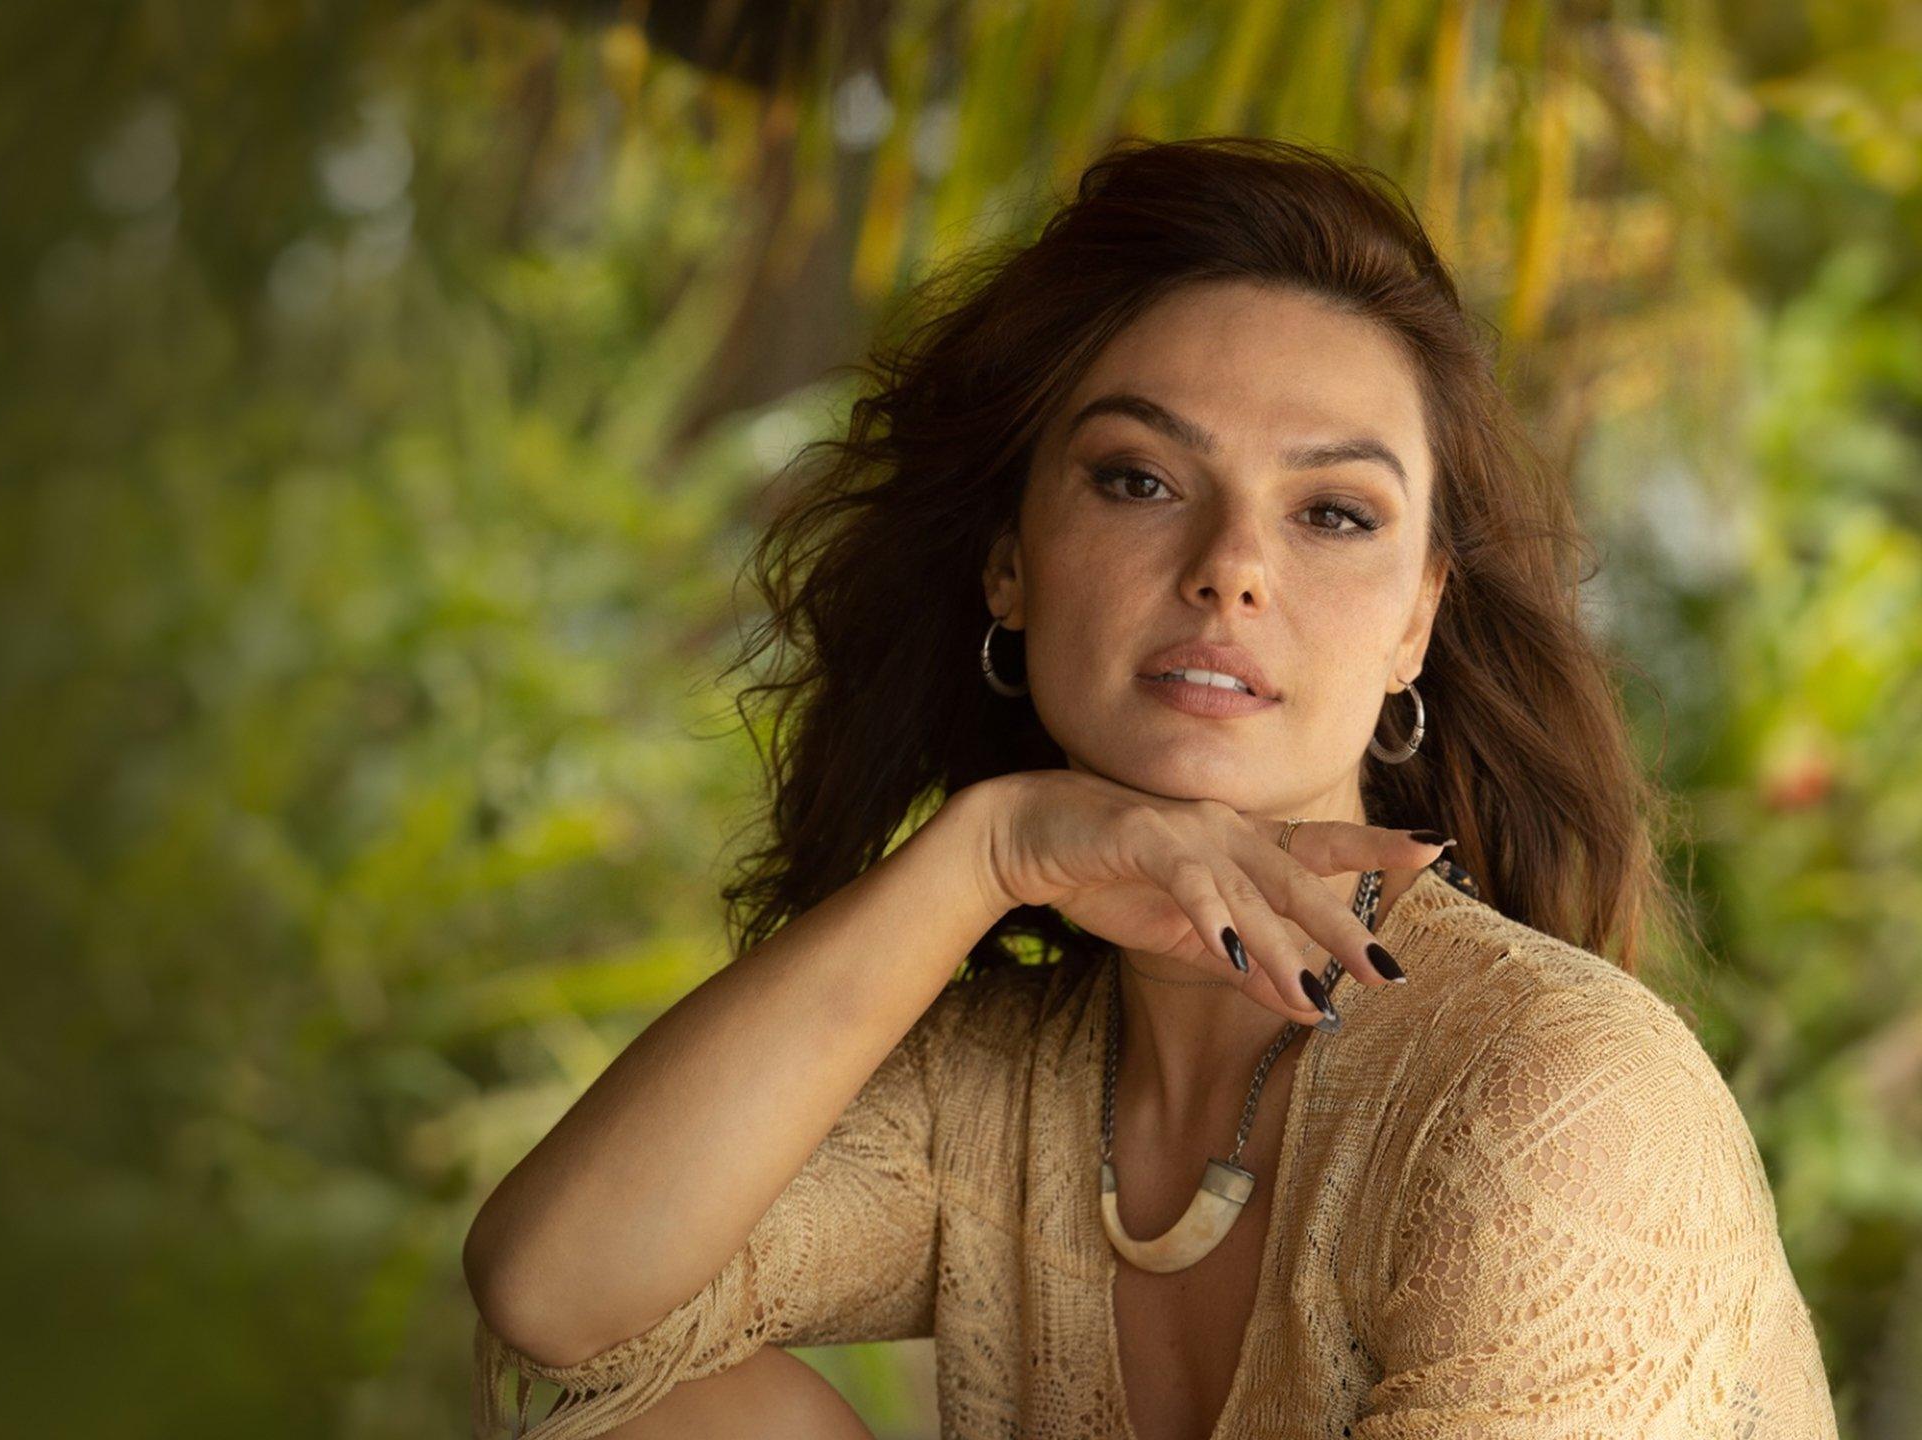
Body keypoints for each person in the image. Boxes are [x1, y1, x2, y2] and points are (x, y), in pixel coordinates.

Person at [461, 136, 1838, 1440]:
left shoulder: (1552, 1096)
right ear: (1011, 563)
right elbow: (559, 1302)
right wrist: (989, 850)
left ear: (1415, 621)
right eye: (1139, 480)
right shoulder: (1001, 1087)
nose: (1231, 567)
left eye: (1333, 512)